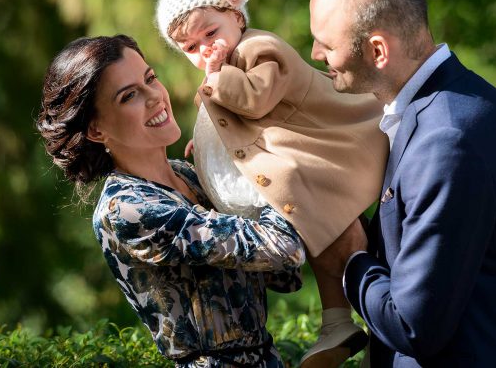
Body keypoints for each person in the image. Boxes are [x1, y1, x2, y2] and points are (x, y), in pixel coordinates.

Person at [308, 0, 496, 367]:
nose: (315, 53)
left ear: (377, 50)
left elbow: (413, 325)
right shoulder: (461, 103)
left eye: (326, 44)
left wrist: (352, 260)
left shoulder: (446, 140)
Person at [155, 0, 390, 367]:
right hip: (277, 178)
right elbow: (231, 118)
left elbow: (256, 98)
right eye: (191, 48)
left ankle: (360, 325)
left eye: (210, 33)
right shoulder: (225, 66)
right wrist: (207, 140)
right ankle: (339, 322)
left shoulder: (258, 48)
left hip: (312, 160)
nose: (204, 49)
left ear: (236, 15)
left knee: (337, 239)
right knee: (328, 243)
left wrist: (214, 78)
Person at [36, 34, 307, 367]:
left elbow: (285, 275)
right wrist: (269, 159)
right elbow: (284, 247)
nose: (155, 97)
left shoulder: (188, 174)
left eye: (150, 79)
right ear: (95, 130)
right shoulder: (127, 209)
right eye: (129, 96)